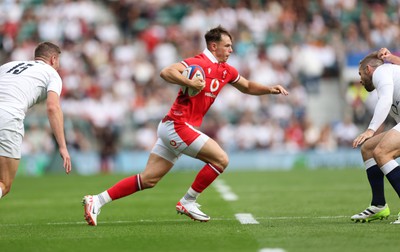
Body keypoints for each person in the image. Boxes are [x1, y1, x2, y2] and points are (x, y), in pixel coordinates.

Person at [82, 25, 289, 226]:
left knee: (148, 180)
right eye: (227, 46)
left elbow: (247, 86)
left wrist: (270, 89)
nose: (231, 50)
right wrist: (190, 83)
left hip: (173, 127)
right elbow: (166, 72)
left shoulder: (226, 70)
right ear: (213, 46)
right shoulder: (198, 63)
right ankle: (188, 201)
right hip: (178, 125)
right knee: (221, 159)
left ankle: (97, 200)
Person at [0, 42, 72, 199]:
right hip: (8, 116)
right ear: (53, 59)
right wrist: (62, 147)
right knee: (4, 184)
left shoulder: (9, 66)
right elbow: (53, 107)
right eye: (58, 61)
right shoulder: (52, 74)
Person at [351, 47, 400, 224]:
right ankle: (379, 204)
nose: (360, 80)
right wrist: (392, 57)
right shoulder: (392, 72)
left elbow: (385, 100)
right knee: (369, 148)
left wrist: (371, 130)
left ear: (368, 70)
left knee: (382, 152)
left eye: (360, 74)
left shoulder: (381, 72)